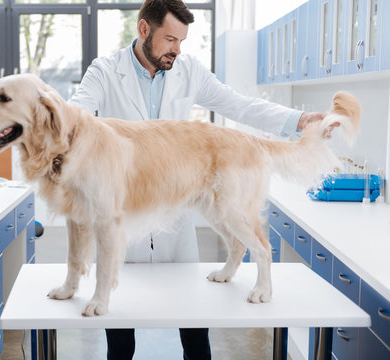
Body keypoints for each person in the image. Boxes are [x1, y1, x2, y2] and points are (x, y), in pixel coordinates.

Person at [69, 1, 326, 359]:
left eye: (182, 41)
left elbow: (239, 105)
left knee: (194, 334)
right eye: (170, 39)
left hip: (175, 213)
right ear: (144, 30)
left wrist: (298, 120)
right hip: (127, 216)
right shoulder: (106, 70)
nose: (177, 49)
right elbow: (78, 111)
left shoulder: (187, 69)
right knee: (120, 338)